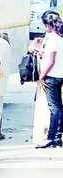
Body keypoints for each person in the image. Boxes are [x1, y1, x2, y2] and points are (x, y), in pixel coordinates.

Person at [35, 13, 63, 148]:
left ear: (48, 25)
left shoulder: (52, 39)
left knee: (55, 108)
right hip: (61, 75)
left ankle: (52, 137)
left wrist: (41, 76)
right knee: (59, 108)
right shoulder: (60, 37)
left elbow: (51, 61)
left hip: (52, 77)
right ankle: (58, 136)